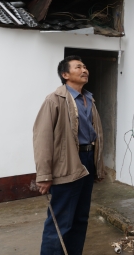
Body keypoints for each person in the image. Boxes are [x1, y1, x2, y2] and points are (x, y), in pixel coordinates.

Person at [33, 55, 106, 255]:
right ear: (65, 75)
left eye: (85, 66)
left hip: (87, 162)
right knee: (61, 219)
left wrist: (97, 166)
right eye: (78, 67)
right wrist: (44, 174)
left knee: (81, 218)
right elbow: (42, 138)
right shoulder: (55, 100)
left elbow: (95, 134)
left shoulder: (89, 98)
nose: (84, 70)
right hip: (67, 163)